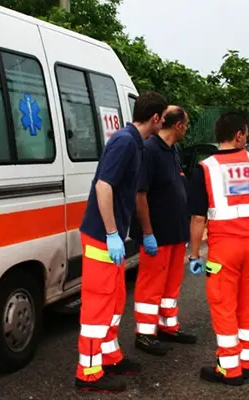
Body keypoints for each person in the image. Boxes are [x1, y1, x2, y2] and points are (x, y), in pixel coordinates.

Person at [187, 111, 249, 386]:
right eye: (246, 132)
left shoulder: (205, 168)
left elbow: (198, 218)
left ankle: (229, 369)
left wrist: (194, 254)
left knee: (224, 306)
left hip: (224, 251)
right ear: (239, 135)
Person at [75, 91, 168, 393]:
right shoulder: (125, 142)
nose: (163, 123)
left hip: (109, 237)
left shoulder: (133, 142)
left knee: (114, 301)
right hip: (102, 237)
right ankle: (88, 373)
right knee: (98, 306)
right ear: (155, 118)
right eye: (163, 118)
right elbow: (104, 186)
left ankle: (109, 357)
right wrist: (113, 233)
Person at [129, 106, 198, 357]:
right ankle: (145, 334)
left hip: (175, 232)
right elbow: (140, 195)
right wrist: (147, 233)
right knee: (151, 284)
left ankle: (167, 325)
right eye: (187, 124)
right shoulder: (150, 150)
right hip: (157, 234)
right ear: (178, 125)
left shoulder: (172, 150)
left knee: (171, 285)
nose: (187, 128)